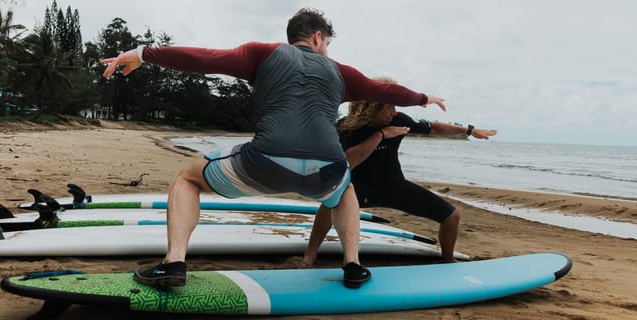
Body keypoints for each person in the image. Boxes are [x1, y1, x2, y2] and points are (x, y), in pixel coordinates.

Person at [100, 9, 446, 289]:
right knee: (345, 190)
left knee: (188, 178)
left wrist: (144, 53)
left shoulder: (262, 54)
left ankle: (174, 262)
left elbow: (204, 59)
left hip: (263, 165)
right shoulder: (342, 72)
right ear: (317, 37)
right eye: (327, 44)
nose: (326, 51)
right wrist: (422, 98)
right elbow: (386, 92)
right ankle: (353, 266)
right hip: (324, 173)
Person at [304, 76, 496, 264]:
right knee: (329, 204)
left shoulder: (398, 120)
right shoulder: (347, 127)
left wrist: (468, 131)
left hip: (394, 186)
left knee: (451, 216)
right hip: (359, 189)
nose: (394, 112)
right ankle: (309, 256)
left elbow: (434, 128)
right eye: (391, 106)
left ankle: (447, 260)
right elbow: (348, 162)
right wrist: (380, 135)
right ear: (375, 107)